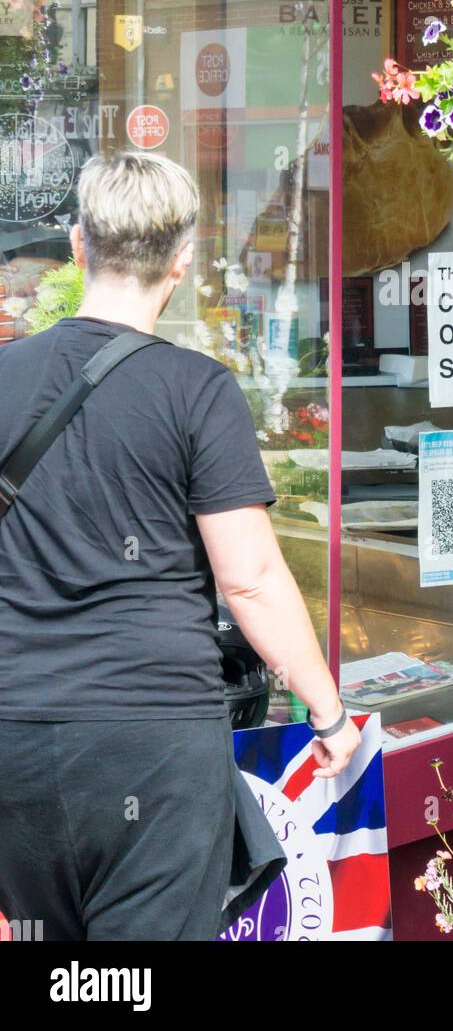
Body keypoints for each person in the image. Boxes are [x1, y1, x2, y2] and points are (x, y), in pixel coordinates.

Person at [0, 151, 360, 941]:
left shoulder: (4, 375)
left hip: (16, 738)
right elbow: (253, 581)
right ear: (185, 256)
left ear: (77, 245)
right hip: (151, 747)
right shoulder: (198, 390)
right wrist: (329, 715)